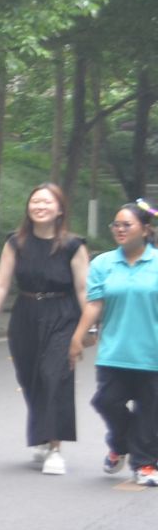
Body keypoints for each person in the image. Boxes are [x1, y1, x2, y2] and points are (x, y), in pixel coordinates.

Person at [0, 185, 88, 475]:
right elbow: (1, 284)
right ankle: (43, 434)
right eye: (35, 201)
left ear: (60, 209)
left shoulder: (73, 245)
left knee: (55, 376)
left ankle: (55, 448)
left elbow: (83, 289)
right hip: (25, 314)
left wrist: (88, 329)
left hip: (63, 314)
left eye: (47, 202)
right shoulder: (16, 243)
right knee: (30, 378)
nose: (40, 206)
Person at [74, 201, 158, 486]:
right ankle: (121, 444)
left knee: (149, 412)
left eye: (127, 225)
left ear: (145, 230)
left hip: (152, 353)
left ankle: (145, 464)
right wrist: (77, 337)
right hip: (114, 352)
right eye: (116, 225)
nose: (120, 229)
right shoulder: (103, 264)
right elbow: (94, 304)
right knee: (106, 401)